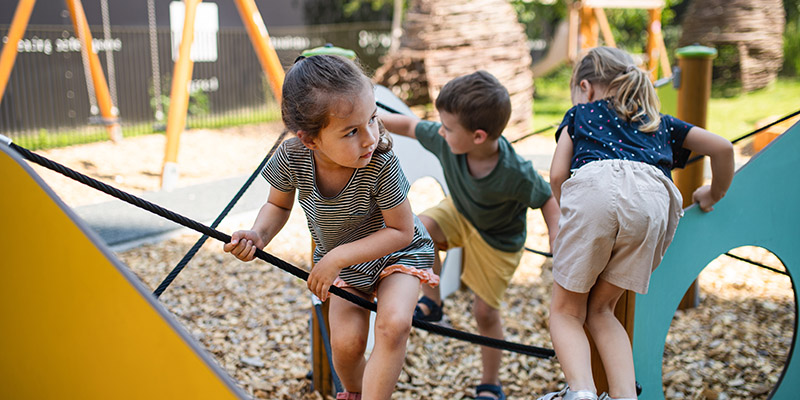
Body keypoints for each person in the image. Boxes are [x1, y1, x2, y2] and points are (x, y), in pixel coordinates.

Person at [223, 55, 438, 400]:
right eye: (352, 131)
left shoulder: (380, 163)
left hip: (397, 253)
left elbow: (401, 232)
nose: (369, 138)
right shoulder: (292, 157)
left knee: (393, 324)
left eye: (372, 120)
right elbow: (278, 205)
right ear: (309, 140)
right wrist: (258, 235)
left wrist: (337, 257)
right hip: (346, 265)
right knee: (347, 345)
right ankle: (354, 391)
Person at [538, 47, 734, 400]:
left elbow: (556, 174)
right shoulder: (658, 122)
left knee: (566, 311)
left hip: (594, 190)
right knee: (601, 310)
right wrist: (713, 193)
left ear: (586, 87)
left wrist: (575, 219)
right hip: (653, 203)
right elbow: (722, 148)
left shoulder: (580, 113)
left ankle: (581, 392)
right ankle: (624, 396)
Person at [381, 70, 560, 400]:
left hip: (498, 241)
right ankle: (432, 303)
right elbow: (407, 125)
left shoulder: (515, 172)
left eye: (448, 128)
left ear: (478, 136)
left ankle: (491, 382)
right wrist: (369, 118)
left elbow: (546, 198)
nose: (441, 131)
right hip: (461, 212)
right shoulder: (447, 139)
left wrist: (556, 237)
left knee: (484, 313)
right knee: (416, 229)